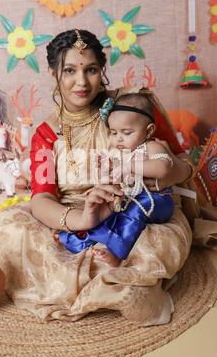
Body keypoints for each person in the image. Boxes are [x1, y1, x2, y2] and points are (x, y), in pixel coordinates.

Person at [0, 28, 196, 325]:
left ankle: (96, 270)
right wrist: (83, 220)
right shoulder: (47, 134)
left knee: (158, 241)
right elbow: (43, 197)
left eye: (91, 70)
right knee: (8, 226)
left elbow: (183, 165)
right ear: (53, 73)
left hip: (131, 209)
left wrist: (166, 171)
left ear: (103, 70)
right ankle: (105, 272)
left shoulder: (131, 108)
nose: (81, 82)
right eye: (70, 70)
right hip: (72, 212)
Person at [57, 90, 175, 267]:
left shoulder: (151, 146)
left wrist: (129, 164)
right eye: (113, 132)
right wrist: (102, 183)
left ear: (148, 130)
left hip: (157, 200)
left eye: (127, 132)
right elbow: (110, 178)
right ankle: (78, 241)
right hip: (128, 198)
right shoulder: (117, 151)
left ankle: (117, 254)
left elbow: (163, 168)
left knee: (133, 211)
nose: (119, 138)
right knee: (106, 214)